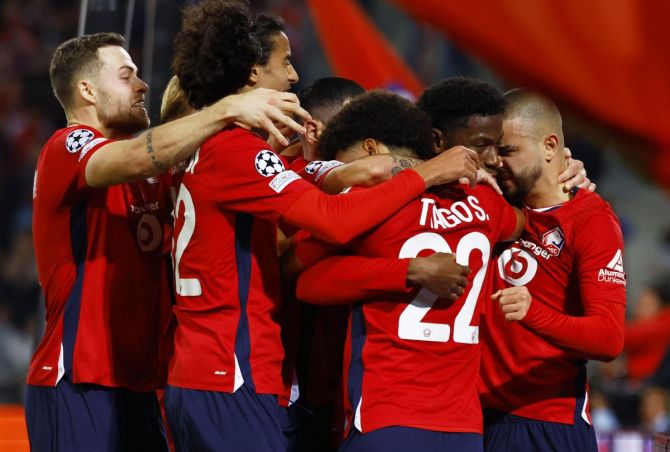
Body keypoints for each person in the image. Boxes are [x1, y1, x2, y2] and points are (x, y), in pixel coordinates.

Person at [164, 2, 479, 451]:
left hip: (206, 371)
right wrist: (426, 175)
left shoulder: (212, 146)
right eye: (284, 63)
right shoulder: (237, 150)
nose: (293, 76)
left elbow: (346, 174)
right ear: (252, 74)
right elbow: (332, 222)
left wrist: (416, 164)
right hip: (228, 371)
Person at [25, 30, 310, 451]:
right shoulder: (69, 145)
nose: (142, 85)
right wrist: (226, 108)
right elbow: (137, 155)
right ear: (86, 89)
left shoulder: (151, 177)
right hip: (79, 379)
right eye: (126, 76)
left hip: (144, 382)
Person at [478, 88, 626, 451]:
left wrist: (534, 313)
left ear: (549, 146)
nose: (497, 162)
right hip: (472, 415)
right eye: (494, 152)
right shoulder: (491, 201)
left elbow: (609, 338)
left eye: (508, 150)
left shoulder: (592, 221)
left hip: (544, 422)